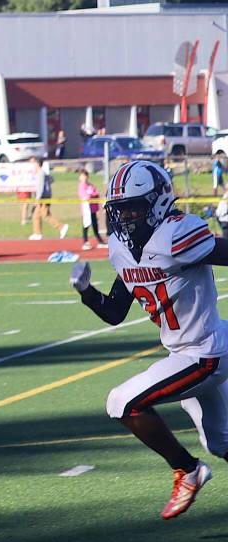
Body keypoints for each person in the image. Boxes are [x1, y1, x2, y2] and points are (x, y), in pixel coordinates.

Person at [69, 159, 228, 520]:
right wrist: (85, 291)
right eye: (119, 210)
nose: (125, 218)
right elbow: (114, 312)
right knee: (221, 441)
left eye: (133, 208)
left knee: (121, 402)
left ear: (157, 202)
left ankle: (187, 470)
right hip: (190, 351)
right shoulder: (122, 248)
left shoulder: (178, 234)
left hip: (203, 353)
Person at [29, 157, 69, 240]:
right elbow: (51, 179)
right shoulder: (41, 173)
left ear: (37, 164)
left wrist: (37, 199)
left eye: (33, 163)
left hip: (43, 198)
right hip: (42, 197)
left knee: (45, 215)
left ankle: (61, 227)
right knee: (36, 215)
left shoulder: (41, 173)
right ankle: (37, 233)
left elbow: (40, 188)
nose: (32, 165)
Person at [77, 169, 106, 250]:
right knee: (86, 224)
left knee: (95, 224)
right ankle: (85, 241)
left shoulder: (90, 185)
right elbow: (85, 196)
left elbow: (96, 194)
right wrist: (91, 195)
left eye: (85, 175)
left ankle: (100, 241)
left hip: (93, 209)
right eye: (82, 176)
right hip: (86, 209)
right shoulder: (81, 186)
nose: (84, 177)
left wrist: (92, 195)